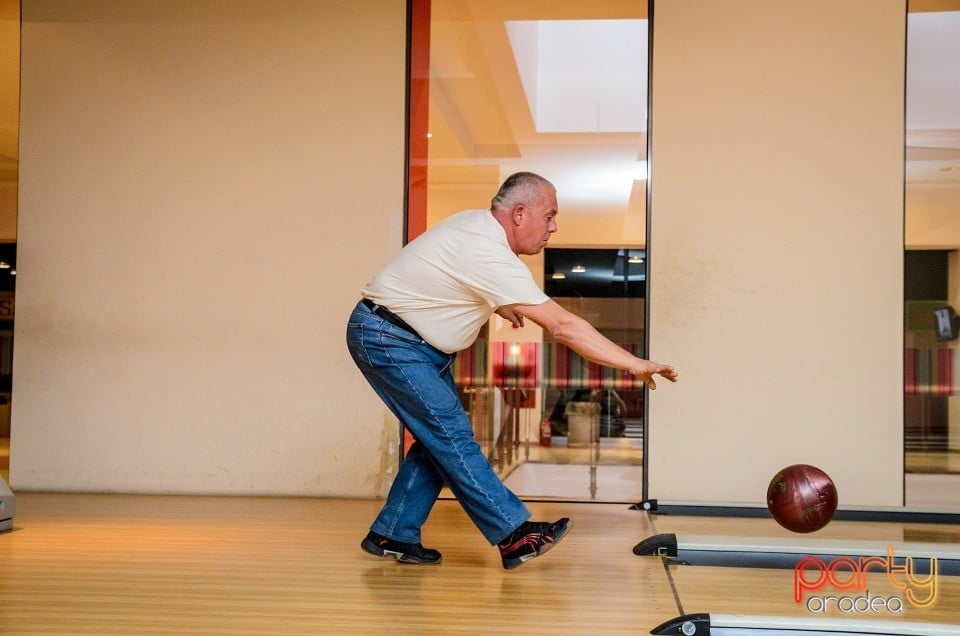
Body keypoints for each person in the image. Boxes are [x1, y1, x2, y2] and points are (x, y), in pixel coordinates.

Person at [346, 172, 677, 570]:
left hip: (410, 341)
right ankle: (514, 534)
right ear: (520, 214)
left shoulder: (477, 230)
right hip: (391, 338)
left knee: (443, 439)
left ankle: (393, 533)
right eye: (550, 216)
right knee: (450, 436)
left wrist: (499, 301)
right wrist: (633, 362)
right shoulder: (488, 251)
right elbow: (563, 327)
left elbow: (450, 276)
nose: (553, 227)